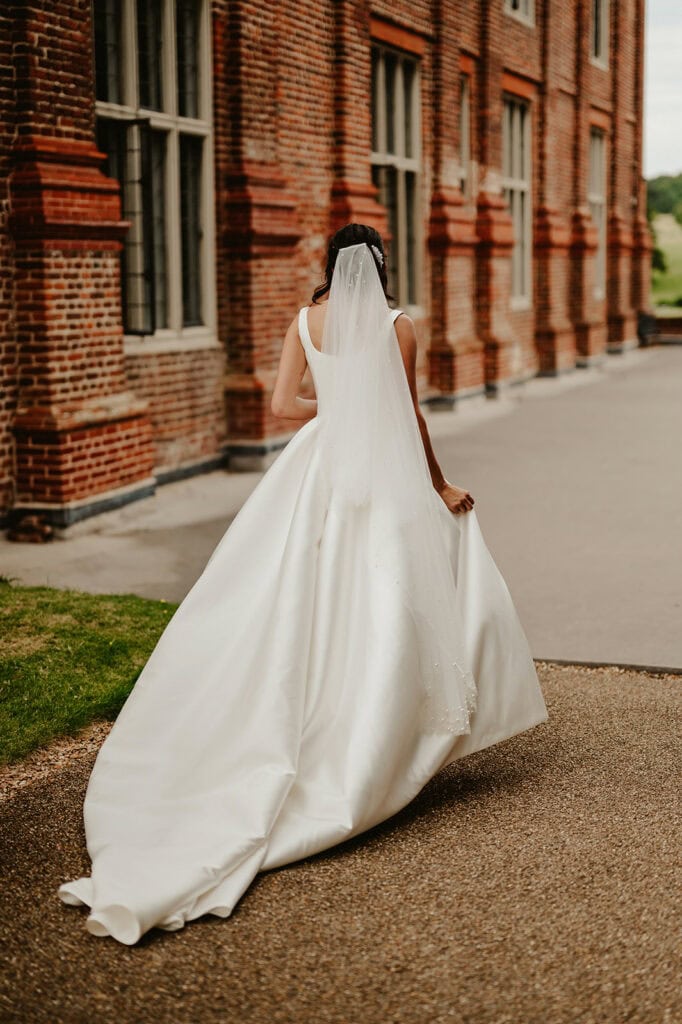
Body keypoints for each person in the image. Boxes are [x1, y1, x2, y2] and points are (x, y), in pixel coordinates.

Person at [58, 223, 548, 946]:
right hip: (378, 465)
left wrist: (338, 409)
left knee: (298, 589)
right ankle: (381, 729)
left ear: (329, 267)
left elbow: (285, 408)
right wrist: (439, 483)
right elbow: (408, 411)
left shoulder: (300, 320)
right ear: (380, 266)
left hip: (316, 466)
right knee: (388, 592)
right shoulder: (397, 324)